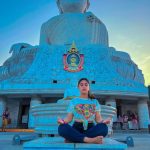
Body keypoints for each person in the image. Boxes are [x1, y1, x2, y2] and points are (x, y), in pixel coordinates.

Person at [58, 78, 111, 144]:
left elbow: (98, 119)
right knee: (62, 128)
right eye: (81, 85)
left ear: (89, 87)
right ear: (78, 87)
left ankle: (74, 138)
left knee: (104, 128)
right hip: (76, 128)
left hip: (91, 128)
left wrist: (103, 121)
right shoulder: (73, 101)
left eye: (86, 85)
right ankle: (90, 140)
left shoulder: (95, 101)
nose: (84, 86)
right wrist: (62, 121)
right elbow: (69, 118)